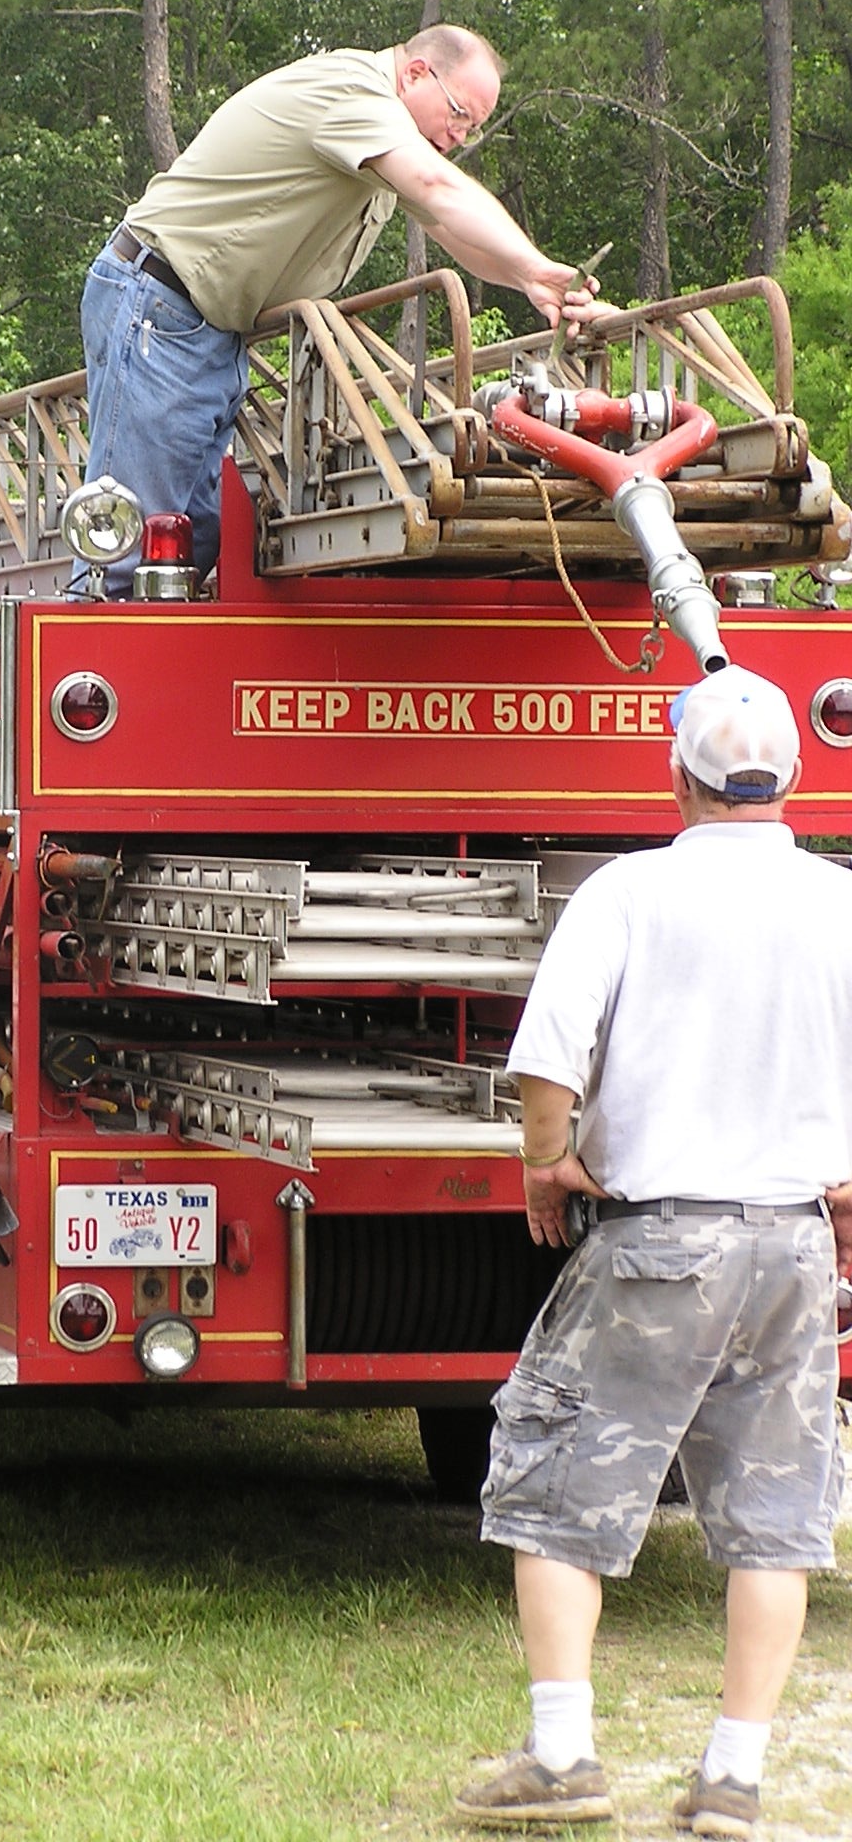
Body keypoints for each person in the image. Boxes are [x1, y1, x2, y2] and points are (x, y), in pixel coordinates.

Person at [453, 665, 852, 1834]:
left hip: (657, 1241)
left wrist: (546, 1158)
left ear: (675, 772)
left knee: (556, 1486)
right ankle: (732, 1777)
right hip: (791, 1248)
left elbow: (549, 1059)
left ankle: (564, 1753)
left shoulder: (630, 891)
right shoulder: (841, 901)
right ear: (792, 776)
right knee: (774, 1514)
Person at [80, 23, 604, 593]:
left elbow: (456, 233)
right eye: (458, 115)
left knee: (195, 541)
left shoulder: (384, 134)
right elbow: (438, 188)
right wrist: (531, 265)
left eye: (473, 130)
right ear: (416, 73)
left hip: (204, 327)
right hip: (161, 306)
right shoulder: (352, 92)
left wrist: (534, 281)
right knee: (124, 550)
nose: (458, 137)